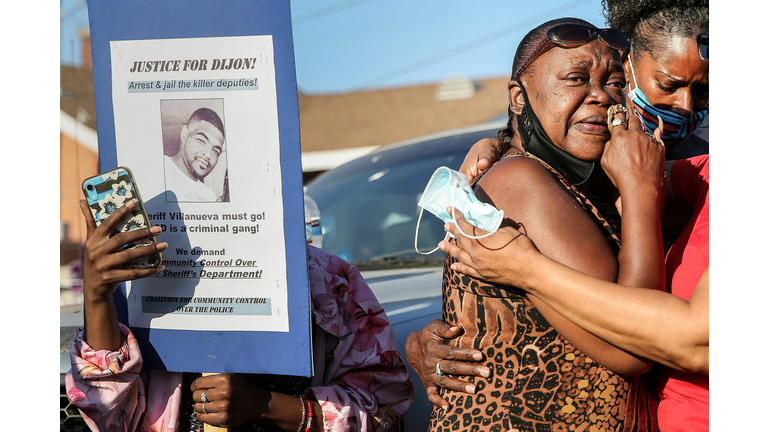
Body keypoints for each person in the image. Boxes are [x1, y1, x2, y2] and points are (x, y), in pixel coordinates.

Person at [406, 3, 709, 430]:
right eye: (576, 78)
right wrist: (640, 193)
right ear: (517, 96)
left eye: (613, 83)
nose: (602, 95)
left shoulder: (595, 178)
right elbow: (633, 349)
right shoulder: (521, 183)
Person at [65, 198, 415, 431]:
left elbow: (386, 406)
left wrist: (267, 406)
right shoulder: (133, 281)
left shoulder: (326, 280)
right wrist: (96, 295)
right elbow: (106, 412)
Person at [438, 151, 708, 431]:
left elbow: (689, 343)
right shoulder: (522, 179)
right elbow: (627, 164)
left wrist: (527, 267)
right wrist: (507, 141)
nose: (685, 108)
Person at [458, 0, 708, 184]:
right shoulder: (590, 141)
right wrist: (496, 146)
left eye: (705, 90)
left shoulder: (704, 160)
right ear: (627, 66)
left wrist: (526, 258)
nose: (686, 106)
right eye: (668, 85)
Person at [165, 107, 226, 202]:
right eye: (201, 141)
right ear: (184, 134)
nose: (208, 155)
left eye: (215, 151)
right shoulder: (161, 168)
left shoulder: (210, 196)